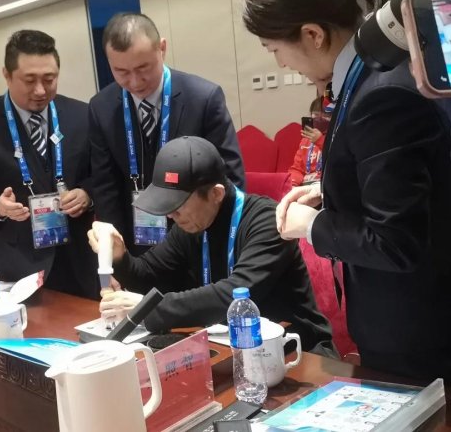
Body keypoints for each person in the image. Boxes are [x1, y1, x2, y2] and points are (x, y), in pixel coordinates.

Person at [244, 0, 451, 380]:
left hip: (418, 334)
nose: (281, 64)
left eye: (274, 50)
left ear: (313, 34)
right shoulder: (368, 74)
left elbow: (396, 243)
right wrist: (329, 190)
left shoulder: (381, 92)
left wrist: (311, 225)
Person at [88, 136, 336, 357]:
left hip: (296, 352)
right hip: (232, 352)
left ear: (216, 194)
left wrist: (149, 309)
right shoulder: (190, 224)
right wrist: (120, 257)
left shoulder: (268, 221)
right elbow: (147, 274)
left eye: (178, 204)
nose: (171, 214)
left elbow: (234, 294)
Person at [0, 30, 99, 299]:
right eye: (29, 80)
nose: (40, 90)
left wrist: (87, 194)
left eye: (49, 79)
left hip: (82, 262)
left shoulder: (82, 115)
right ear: (6, 75)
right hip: (21, 267)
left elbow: (103, 174)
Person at [89, 13, 245, 255]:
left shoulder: (203, 98)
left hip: (197, 238)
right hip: (138, 242)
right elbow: (106, 186)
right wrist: (117, 254)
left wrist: (218, 241)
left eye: (143, 68)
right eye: (121, 71)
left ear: (162, 48)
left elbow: (229, 177)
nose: (135, 82)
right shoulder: (101, 107)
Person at [288, 97, 330, 187]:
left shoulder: (336, 137)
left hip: (325, 185)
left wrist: (320, 140)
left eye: (326, 115)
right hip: (305, 185)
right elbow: (297, 169)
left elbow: (337, 159)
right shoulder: (305, 140)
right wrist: (293, 183)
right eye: (316, 114)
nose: (320, 118)